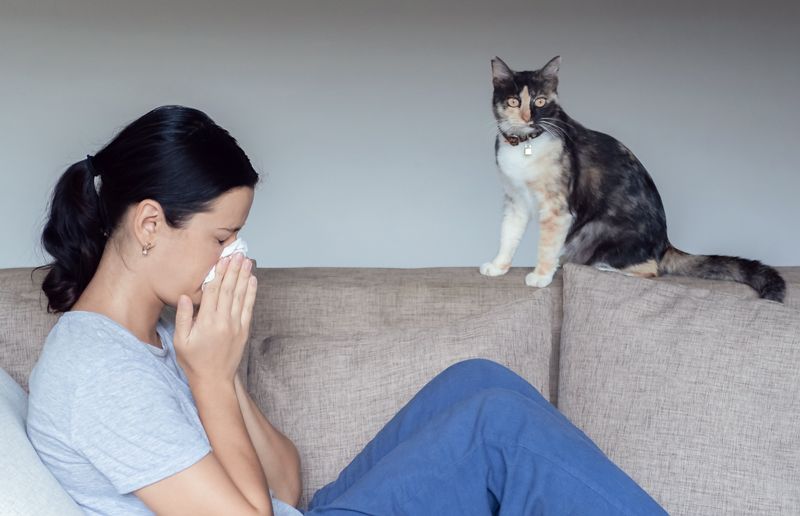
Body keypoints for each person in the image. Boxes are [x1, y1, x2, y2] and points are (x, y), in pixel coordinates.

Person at [27, 105, 667, 515]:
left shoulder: (167, 332)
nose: (234, 257)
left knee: (479, 382)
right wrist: (212, 380)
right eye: (222, 239)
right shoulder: (96, 371)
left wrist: (217, 370)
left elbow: (286, 488)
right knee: (495, 426)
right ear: (148, 224)